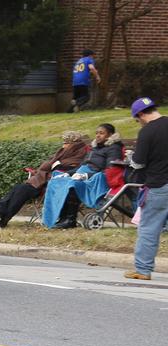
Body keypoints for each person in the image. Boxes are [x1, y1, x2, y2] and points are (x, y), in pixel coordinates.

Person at [0, 131, 89, 228]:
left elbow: (67, 168)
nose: (63, 145)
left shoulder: (78, 154)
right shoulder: (64, 153)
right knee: (19, 187)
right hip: (44, 180)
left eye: (65, 143)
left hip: (52, 184)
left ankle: (1, 217)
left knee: (23, 190)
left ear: (73, 144)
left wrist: (55, 165)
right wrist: (53, 165)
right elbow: (52, 166)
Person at [42, 123, 124, 229]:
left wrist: (86, 175)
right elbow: (82, 166)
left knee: (72, 184)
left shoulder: (114, 148)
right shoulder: (94, 148)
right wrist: (69, 173)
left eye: (102, 133)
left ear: (110, 135)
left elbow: (110, 170)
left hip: (97, 179)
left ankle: (70, 220)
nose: (98, 135)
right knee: (56, 181)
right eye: (97, 133)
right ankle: (60, 217)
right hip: (82, 176)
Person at [125, 97, 168, 280]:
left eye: (137, 119)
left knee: (149, 228)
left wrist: (130, 157)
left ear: (141, 114)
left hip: (158, 185)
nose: (139, 122)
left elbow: (139, 163)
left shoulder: (147, 132)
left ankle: (143, 270)